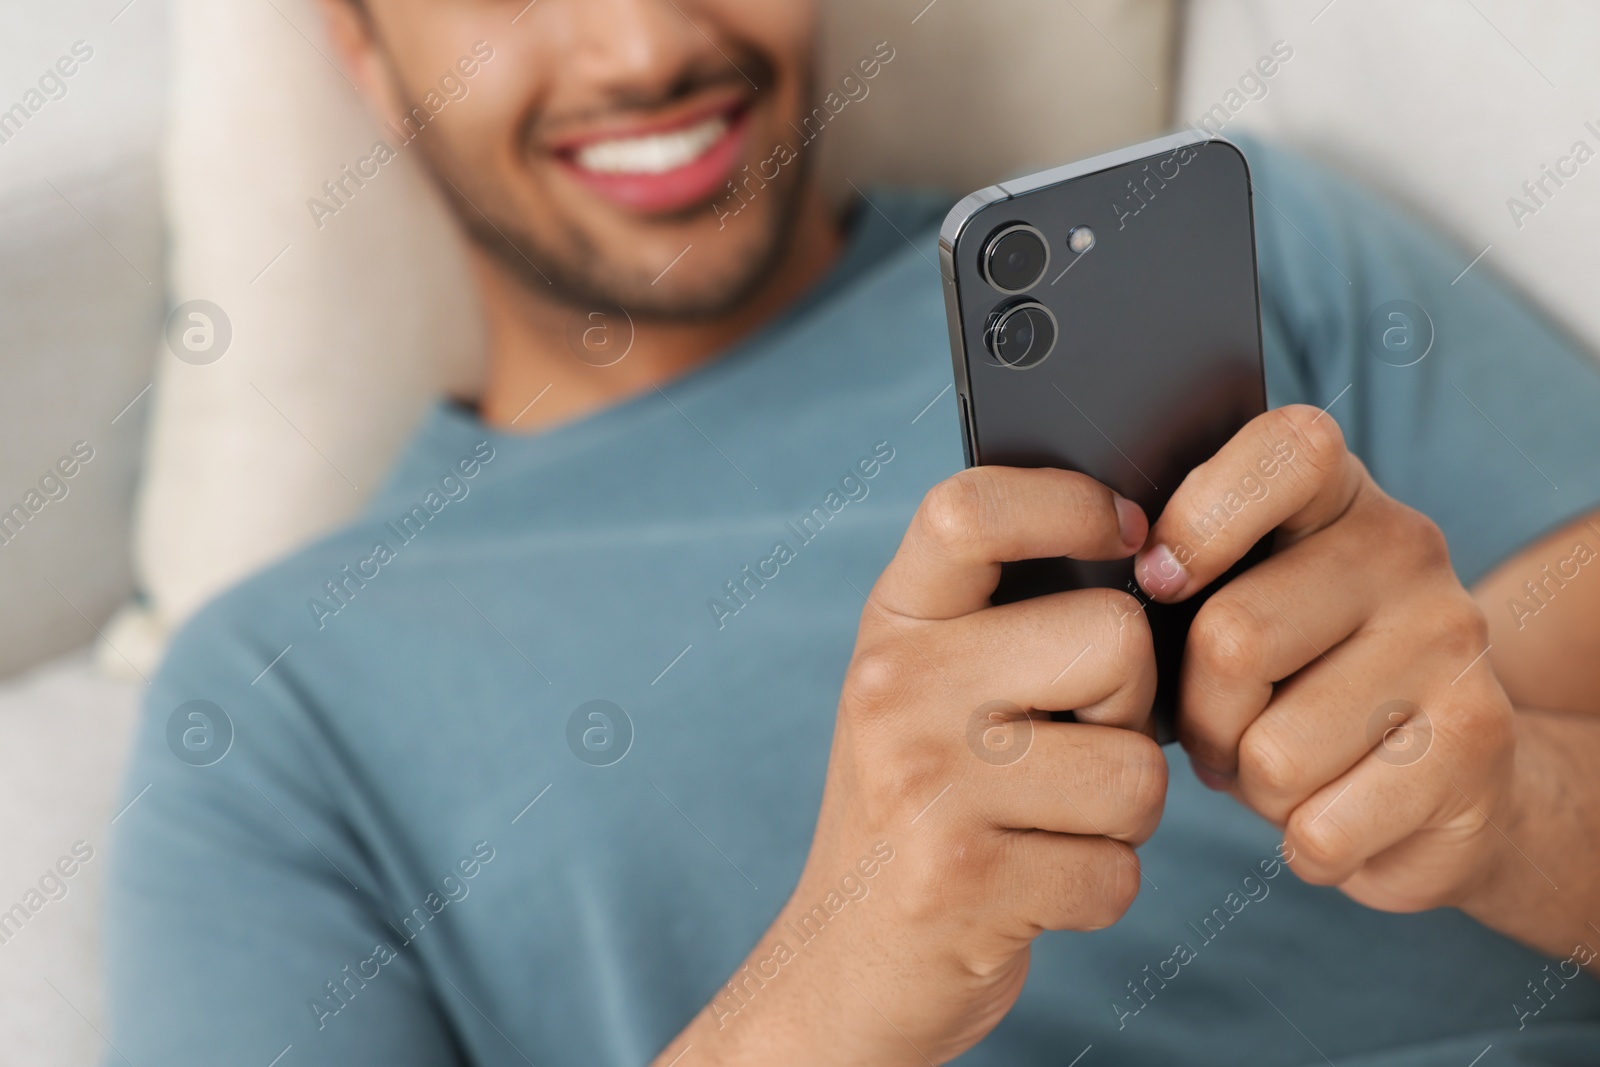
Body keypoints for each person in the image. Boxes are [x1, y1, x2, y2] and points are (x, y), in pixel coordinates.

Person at [105, 1, 1600, 1064]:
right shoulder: (271, 705)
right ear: (359, 49)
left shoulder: (1246, 243)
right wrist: (832, 996)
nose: (643, 43)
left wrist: (1516, 805)